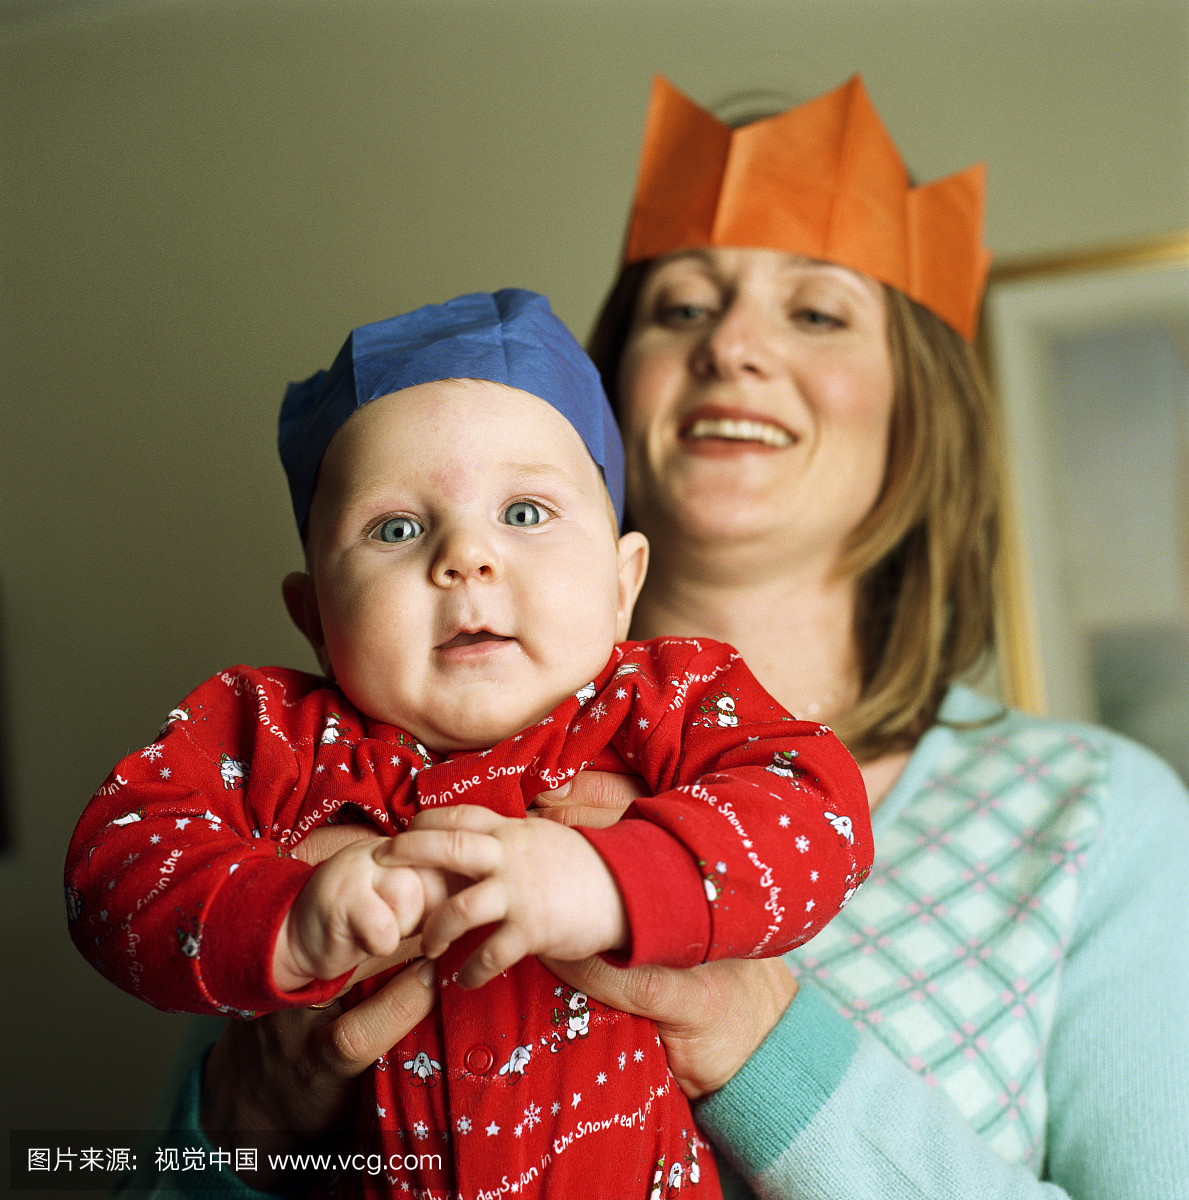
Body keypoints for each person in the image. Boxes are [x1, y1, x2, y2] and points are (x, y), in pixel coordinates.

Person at [145, 74, 1189, 1198]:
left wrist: (763, 1047)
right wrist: (242, 1120)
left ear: (918, 406)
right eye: (682, 308)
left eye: (818, 310)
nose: (732, 346)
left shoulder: (1094, 819)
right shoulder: (331, 777)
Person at [66, 287, 873, 1198]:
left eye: (524, 512)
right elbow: (113, 861)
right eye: (395, 528)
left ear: (622, 582)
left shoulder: (672, 699)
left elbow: (814, 806)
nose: (464, 557)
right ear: (315, 618)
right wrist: (285, 922)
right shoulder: (268, 735)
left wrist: (612, 879)